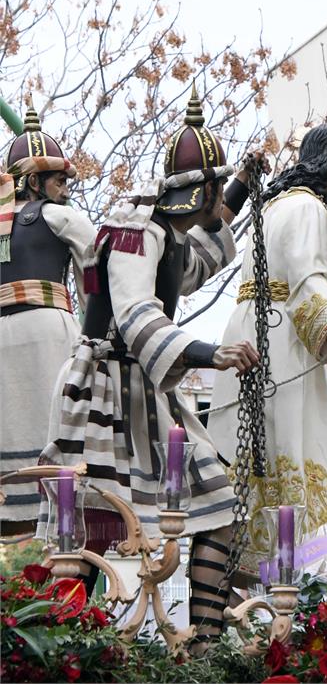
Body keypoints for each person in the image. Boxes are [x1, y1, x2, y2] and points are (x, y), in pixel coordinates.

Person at [40, 85, 260, 644]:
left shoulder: (166, 232)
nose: (220, 203)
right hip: (105, 390)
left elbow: (194, 264)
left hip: (144, 389)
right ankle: (62, 652)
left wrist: (243, 187)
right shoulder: (137, 230)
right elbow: (138, 315)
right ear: (201, 190)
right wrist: (212, 353)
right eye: (220, 188)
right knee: (87, 528)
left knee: (216, 502)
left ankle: (205, 644)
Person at [208, 124, 327, 581]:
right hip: (284, 337)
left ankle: (250, 569)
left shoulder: (271, 207)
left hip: (250, 333)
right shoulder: (309, 208)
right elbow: (309, 280)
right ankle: (311, 573)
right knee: (299, 446)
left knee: (261, 453)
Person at [0, 100, 96, 536]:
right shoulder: (60, 216)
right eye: (58, 179)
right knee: (56, 435)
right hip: (48, 334)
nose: (64, 188)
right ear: (34, 181)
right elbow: (99, 272)